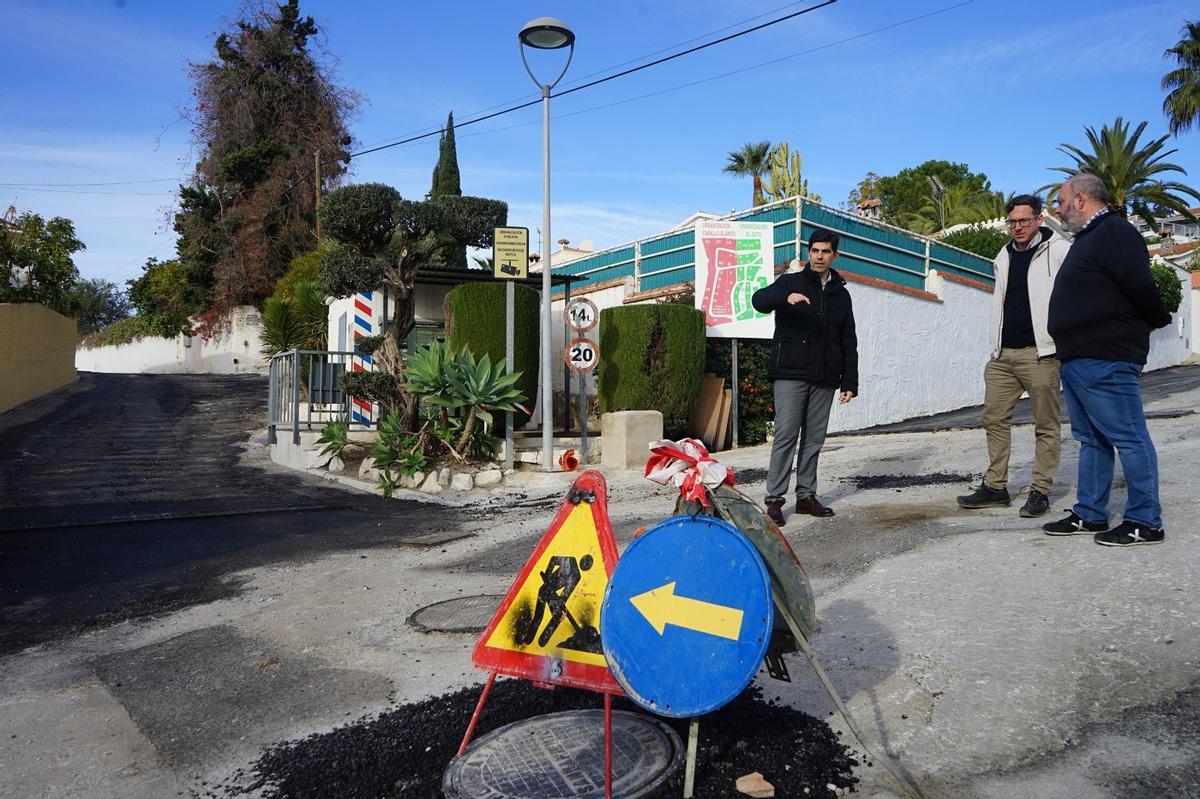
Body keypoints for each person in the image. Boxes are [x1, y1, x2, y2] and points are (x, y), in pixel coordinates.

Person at [1042, 173, 1173, 546]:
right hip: (1081, 358)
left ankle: (1146, 521)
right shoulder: (1090, 238)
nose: (1059, 209)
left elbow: (1140, 286)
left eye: (1062, 202)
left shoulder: (1115, 232)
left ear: (1081, 199)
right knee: (1092, 439)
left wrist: (1154, 322)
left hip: (1105, 358)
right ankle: (1091, 513)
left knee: (1129, 438)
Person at [957, 194, 1070, 518]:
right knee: (992, 418)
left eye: (1024, 220)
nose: (1017, 227)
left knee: (1045, 424)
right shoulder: (1003, 257)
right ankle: (995, 487)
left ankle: (1040, 490)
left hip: (1040, 353)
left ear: (1038, 219)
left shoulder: (1059, 250)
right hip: (1003, 354)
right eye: (1013, 222)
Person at [752, 229, 858, 526]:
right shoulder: (791, 281)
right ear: (808, 253)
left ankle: (806, 497)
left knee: (814, 439)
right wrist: (786, 296)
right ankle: (774, 500)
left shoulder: (841, 294)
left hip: (825, 376)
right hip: (791, 372)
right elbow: (759, 300)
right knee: (786, 435)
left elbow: (848, 339)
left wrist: (849, 381)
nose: (819, 256)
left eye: (825, 251)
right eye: (815, 251)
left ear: (834, 255)